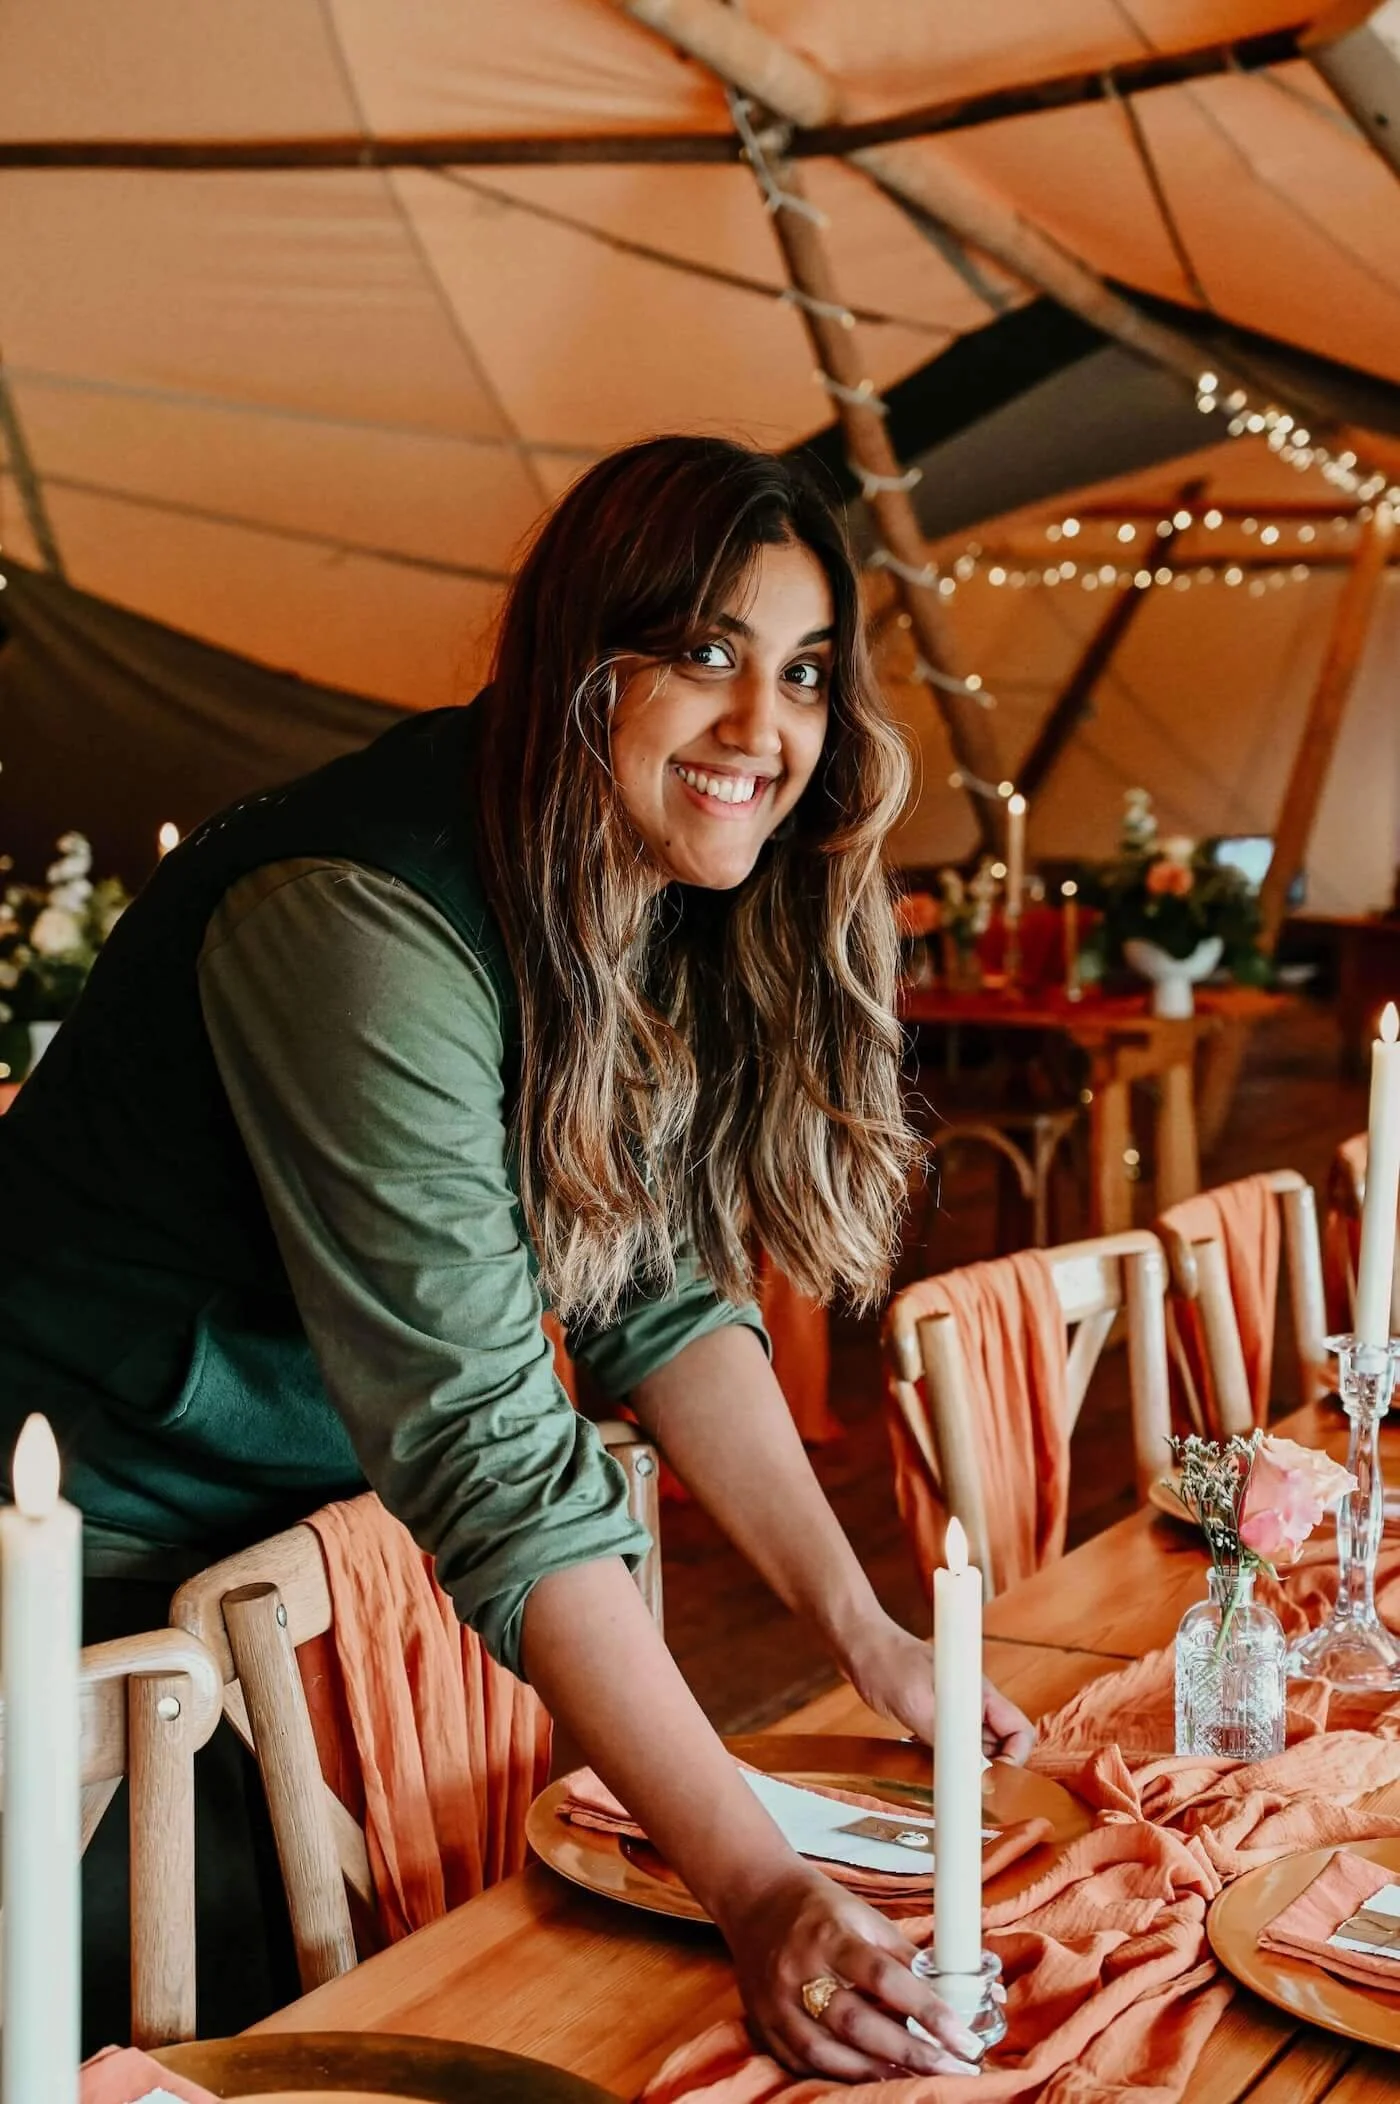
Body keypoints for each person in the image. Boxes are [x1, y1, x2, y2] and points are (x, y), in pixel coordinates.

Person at [0, 436, 1032, 2081]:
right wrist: (762, 1889)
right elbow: (490, 1450)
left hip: (287, 1553)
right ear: (578, 660)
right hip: (82, 1568)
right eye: (706, 654)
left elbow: (663, 1301)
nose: (765, 731)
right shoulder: (358, 921)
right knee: (182, 2047)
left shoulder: (633, 887)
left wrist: (870, 1630)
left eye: (808, 675)